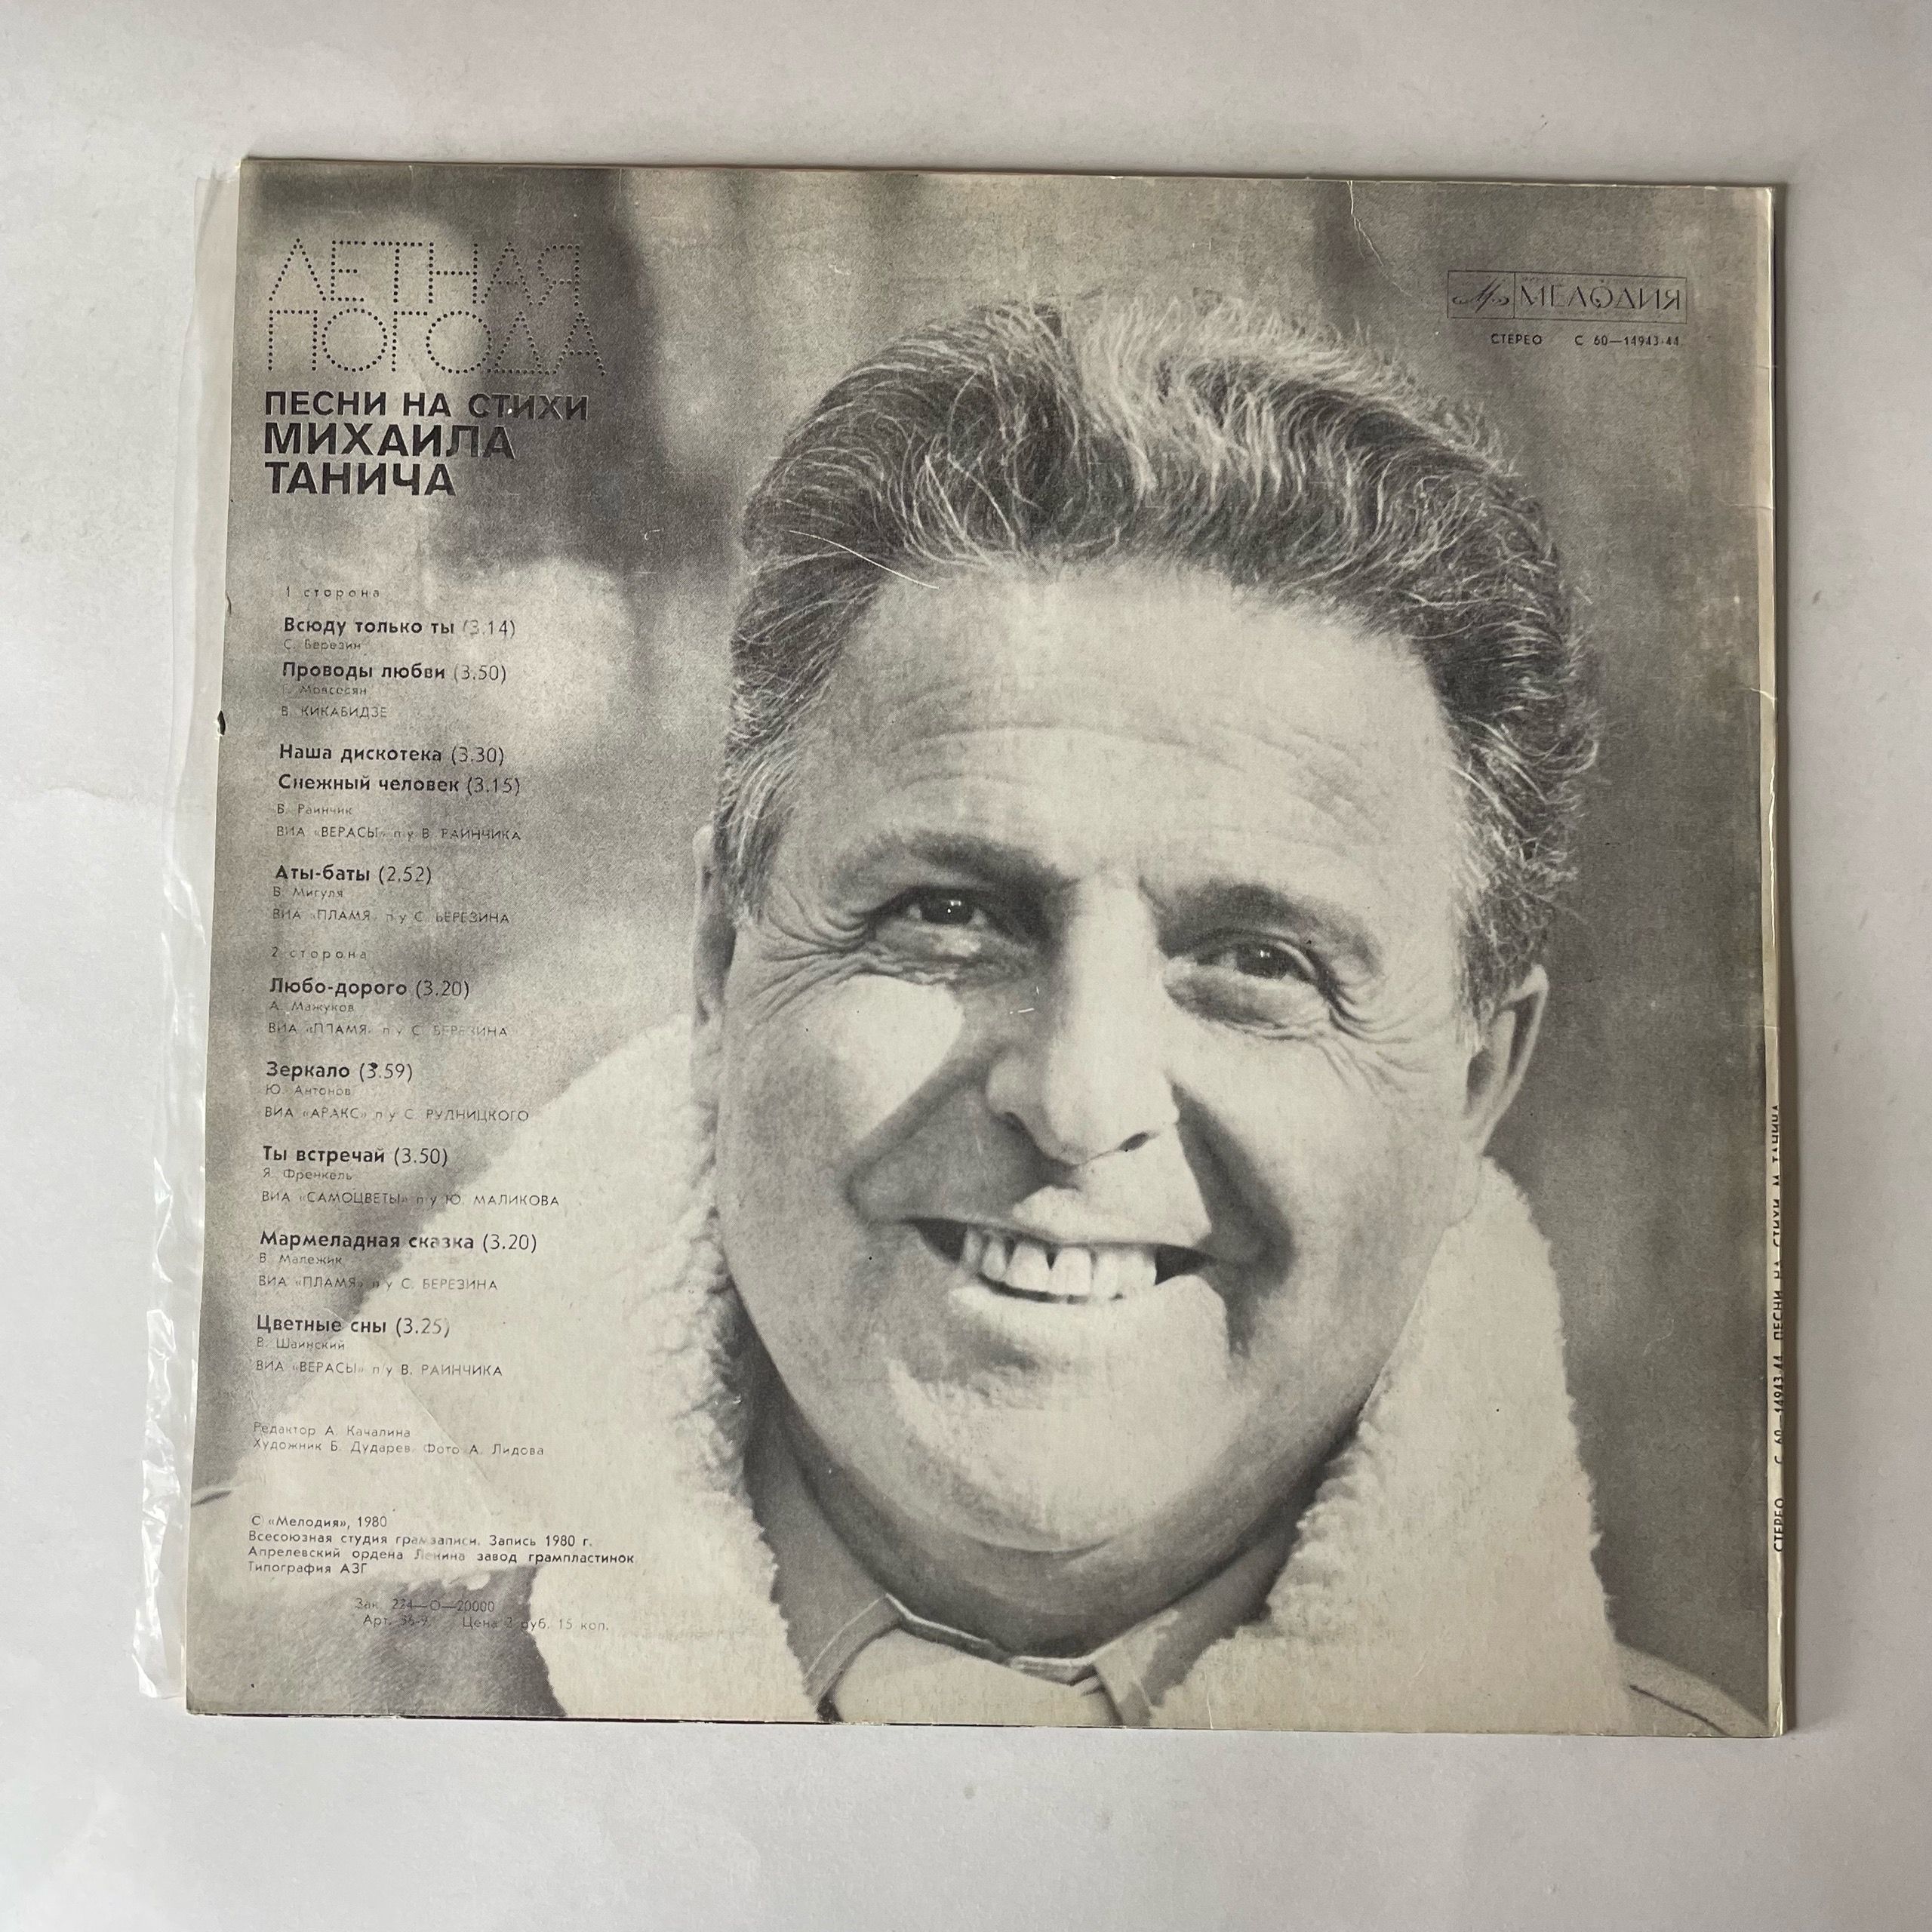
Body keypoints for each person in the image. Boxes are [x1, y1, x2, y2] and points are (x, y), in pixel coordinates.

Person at [191, 292, 1758, 1734]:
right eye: (949, 913)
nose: (1079, 1098)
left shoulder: (1690, 1837)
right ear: (720, 964)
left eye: (1259, 962)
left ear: (1473, 1085)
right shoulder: (225, 1692)